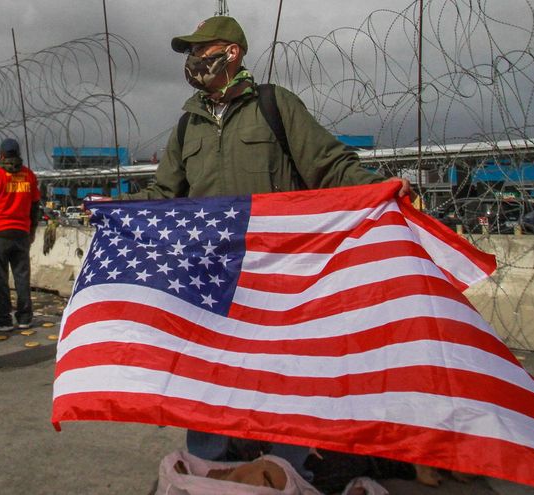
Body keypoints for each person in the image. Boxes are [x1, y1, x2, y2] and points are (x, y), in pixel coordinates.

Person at [127, 16, 434, 489]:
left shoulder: (274, 106)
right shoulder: (189, 124)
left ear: (231, 54)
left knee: (284, 372)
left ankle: (288, 464)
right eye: (189, 54)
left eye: (199, 51)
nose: (192, 62)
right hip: (213, 276)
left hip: (277, 273)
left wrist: (378, 188)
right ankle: (209, 466)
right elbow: (165, 192)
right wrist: (120, 213)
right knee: (208, 372)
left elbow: (327, 163)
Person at [0, 138, 40, 332]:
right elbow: (35, 207)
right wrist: (32, 230)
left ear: (1, 155)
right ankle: (25, 317)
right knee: (22, 276)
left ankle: (2, 319)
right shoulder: (29, 176)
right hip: (21, 233)